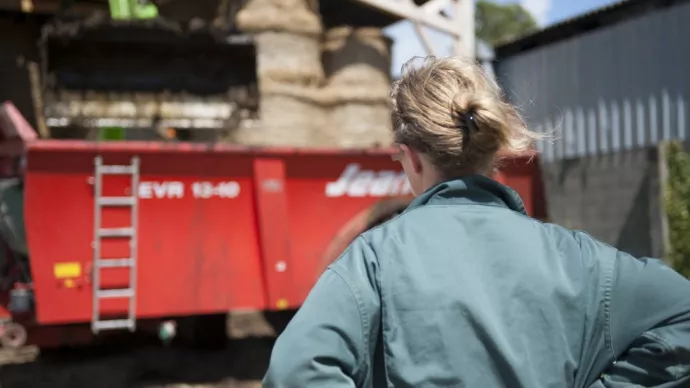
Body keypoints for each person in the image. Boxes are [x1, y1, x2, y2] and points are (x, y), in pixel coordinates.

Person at [262, 56, 690, 387]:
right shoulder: (580, 258)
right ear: (495, 149)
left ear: (409, 158)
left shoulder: (374, 261)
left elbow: (294, 372)